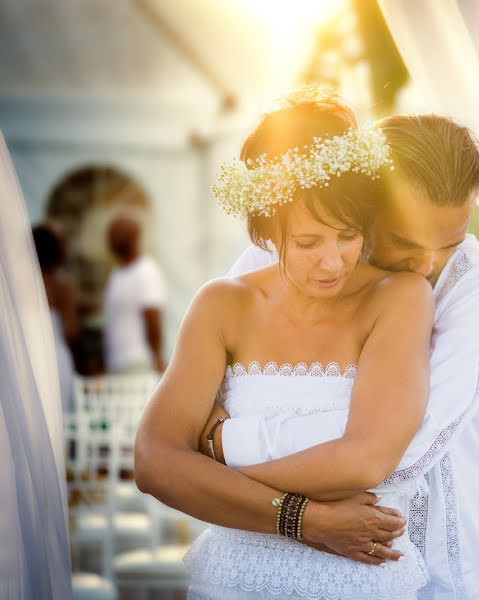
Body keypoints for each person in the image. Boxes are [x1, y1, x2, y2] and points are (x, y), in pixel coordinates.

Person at [203, 112, 479, 599]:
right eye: (405, 242)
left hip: (444, 573)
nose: (426, 265)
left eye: (448, 244)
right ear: (364, 206)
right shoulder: (273, 262)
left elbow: (402, 449)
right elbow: (200, 393)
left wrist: (224, 456)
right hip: (273, 566)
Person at [135, 89, 436, 599]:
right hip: (232, 583)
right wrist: (307, 520)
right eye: (308, 242)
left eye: (348, 235)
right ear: (268, 230)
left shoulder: (400, 297)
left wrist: (216, 463)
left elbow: (367, 462)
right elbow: (152, 462)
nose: (333, 261)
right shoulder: (221, 306)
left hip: (360, 580)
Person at [103, 214, 166, 373]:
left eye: (114, 236)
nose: (110, 242)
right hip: (117, 363)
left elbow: (152, 317)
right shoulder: (117, 274)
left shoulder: (146, 270)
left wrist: (157, 358)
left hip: (140, 362)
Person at [32, 223, 78, 413]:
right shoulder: (62, 287)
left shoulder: (14, 289)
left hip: (26, 360)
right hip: (55, 360)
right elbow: (71, 330)